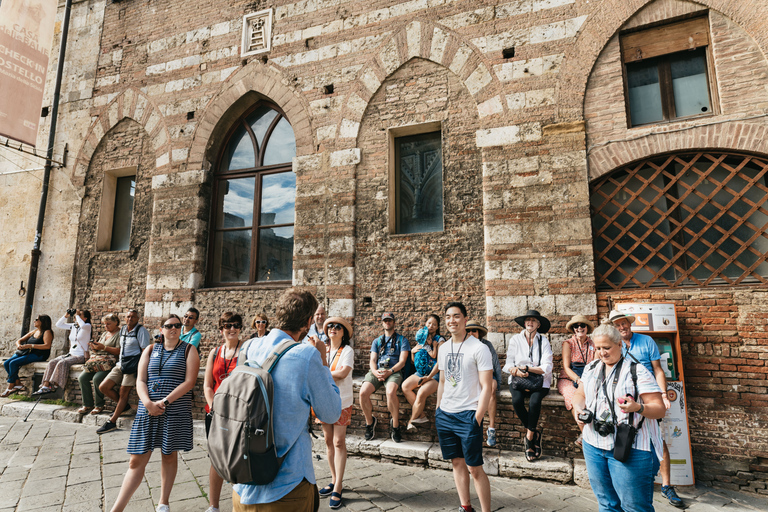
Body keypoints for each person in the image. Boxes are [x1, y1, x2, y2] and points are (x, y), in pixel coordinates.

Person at [232, 287, 341, 511]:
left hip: (242, 481)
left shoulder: (248, 347)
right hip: (286, 487)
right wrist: (322, 362)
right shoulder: (306, 355)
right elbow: (331, 413)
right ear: (308, 322)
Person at [110, 314, 200, 512]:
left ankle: (163, 503)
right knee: (136, 459)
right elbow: (140, 380)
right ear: (162, 329)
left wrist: (165, 402)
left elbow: (189, 382)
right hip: (147, 409)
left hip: (174, 409)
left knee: (169, 454)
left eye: (177, 325)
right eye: (169, 326)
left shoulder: (189, 350)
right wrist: (148, 403)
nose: (173, 328)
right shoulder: (150, 349)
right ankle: (117, 509)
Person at [573, 321, 665, 512]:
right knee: (607, 504)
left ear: (619, 345)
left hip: (631, 446)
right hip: (593, 444)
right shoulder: (591, 368)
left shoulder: (637, 371)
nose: (602, 353)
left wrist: (638, 407)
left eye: (606, 347)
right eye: (597, 348)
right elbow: (580, 395)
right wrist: (579, 409)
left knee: (635, 507)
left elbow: (659, 409)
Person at [609, 309, 684, 508]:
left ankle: (667, 485)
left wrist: (662, 394)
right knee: (625, 437)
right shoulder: (612, 345)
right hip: (623, 398)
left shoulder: (646, 341)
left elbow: (658, 370)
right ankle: (632, 481)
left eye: (624, 323)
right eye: (617, 325)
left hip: (648, 397)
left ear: (629, 324)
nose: (622, 327)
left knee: (658, 439)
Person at [435, 302, 493, 512]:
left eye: (457, 316)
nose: (452, 321)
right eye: (448, 317)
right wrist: (438, 410)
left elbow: (487, 387)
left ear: (465, 319)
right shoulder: (443, 348)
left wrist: (477, 417)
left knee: (475, 468)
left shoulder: (479, 348)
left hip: (468, 415)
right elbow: (442, 381)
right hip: (445, 415)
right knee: (457, 463)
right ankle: (465, 507)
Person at [203, 312, 245, 512]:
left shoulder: (245, 351)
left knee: (238, 456)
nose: (232, 329)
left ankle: (241, 503)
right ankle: (214, 506)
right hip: (215, 412)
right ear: (221, 329)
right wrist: (212, 405)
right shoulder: (215, 352)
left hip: (237, 413)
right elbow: (207, 384)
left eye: (235, 325)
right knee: (216, 458)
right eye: (227, 325)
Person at [502, 309, 553, 462]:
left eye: (533, 320)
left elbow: (547, 367)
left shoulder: (543, 341)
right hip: (518, 379)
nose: (530, 322)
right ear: (524, 323)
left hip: (538, 380)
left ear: (538, 324)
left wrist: (529, 369)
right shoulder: (515, 340)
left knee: (534, 402)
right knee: (517, 401)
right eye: (527, 320)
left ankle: (529, 437)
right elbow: (507, 365)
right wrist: (516, 371)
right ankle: (534, 432)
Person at [316, 316, 355, 510]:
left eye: (337, 326)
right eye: (330, 326)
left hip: (342, 401)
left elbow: (342, 373)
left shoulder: (347, 350)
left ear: (344, 332)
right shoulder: (323, 349)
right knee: (328, 441)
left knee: (339, 442)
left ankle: (338, 485)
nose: (333, 328)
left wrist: (321, 372)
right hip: (324, 399)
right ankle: (333, 478)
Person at [358, 311, 410, 442]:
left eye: (390, 320)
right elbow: (372, 360)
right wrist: (375, 372)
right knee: (363, 392)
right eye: (385, 320)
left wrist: (390, 371)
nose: (387, 322)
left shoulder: (402, 340)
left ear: (394, 322)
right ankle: (370, 423)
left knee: (391, 391)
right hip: (378, 370)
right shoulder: (377, 341)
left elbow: (402, 362)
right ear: (382, 323)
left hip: (394, 371)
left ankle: (395, 425)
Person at [97, 309, 151, 434]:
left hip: (132, 366)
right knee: (104, 387)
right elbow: (121, 348)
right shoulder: (123, 330)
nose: (130, 319)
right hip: (121, 364)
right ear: (125, 318)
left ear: (138, 318)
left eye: (133, 317)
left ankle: (112, 421)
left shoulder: (141, 331)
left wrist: (142, 368)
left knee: (123, 393)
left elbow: (145, 351)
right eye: (128, 317)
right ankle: (125, 408)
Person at [558, 314, 596, 447]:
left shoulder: (593, 344)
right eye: (576, 326)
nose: (579, 328)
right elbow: (566, 367)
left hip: (587, 378)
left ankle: (584, 437)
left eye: (582, 325)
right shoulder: (568, 344)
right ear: (573, 329)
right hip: (568, 379)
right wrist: (578, 379)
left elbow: (596, 364)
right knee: (574, 398)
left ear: (586, 327)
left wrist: (585, 381)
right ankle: (589, 439)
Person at [402, 314, 445, 431]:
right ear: (425, 324)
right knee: (405, 386)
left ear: (437, 327)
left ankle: (411, 421)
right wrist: (412, 352)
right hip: (421, 373)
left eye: (434, 324)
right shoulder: (421, 338)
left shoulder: (439, 341)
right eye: (429, 323)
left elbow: (440, 362)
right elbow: (414, 361)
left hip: (435, 375)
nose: (431, 326)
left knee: (421, 393)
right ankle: (421, 416)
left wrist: (429, 377)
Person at [34, 310, 92, 394]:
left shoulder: (87, 326)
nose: (76, 316)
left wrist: (77, 315)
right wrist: (66, 316)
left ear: (85, 318)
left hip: (80, 356)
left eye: (79, 315)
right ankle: (45, 386)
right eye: (76, 315)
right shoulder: (73, 326)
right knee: (52, 362)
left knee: (62, 363)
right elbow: (58, 324)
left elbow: (82, 326)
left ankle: (54, 386)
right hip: (71, 354)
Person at [465, 320, 502, 447]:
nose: (471, 333)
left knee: (491, 388)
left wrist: (498, 381)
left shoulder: (486, 345)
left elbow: (496, 364)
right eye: (468, 331)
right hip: (470, 376)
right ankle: (473, 428)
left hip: (487, 374)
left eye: (474, 330)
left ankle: (491, 429)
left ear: (479, 333)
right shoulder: (462, 346)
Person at [77, 313, 121, 414]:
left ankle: (99, 405)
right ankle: (87, 404)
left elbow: (119, 351)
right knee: (82, 378)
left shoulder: (120, 334)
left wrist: (104, 348)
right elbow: (100, 348)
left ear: (116, 323)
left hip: (110, 363)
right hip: (98, 361)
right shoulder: (105, 334)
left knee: (97, 378)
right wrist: (94, 348)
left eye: (108, 324)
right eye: (105, 324)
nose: (106, 326)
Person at [2, 315, 53, 397]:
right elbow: (19, 340)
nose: (34, 321)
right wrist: (19, 345)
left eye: (36, 319)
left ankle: (11, 385)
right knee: (6, 363)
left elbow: (47, 346)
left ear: (42, 322)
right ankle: (18, 383)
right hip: (26, 352)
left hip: (39, 354)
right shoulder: (34, 331)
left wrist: (31, 346)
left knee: (13, 363)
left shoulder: (47, 332)